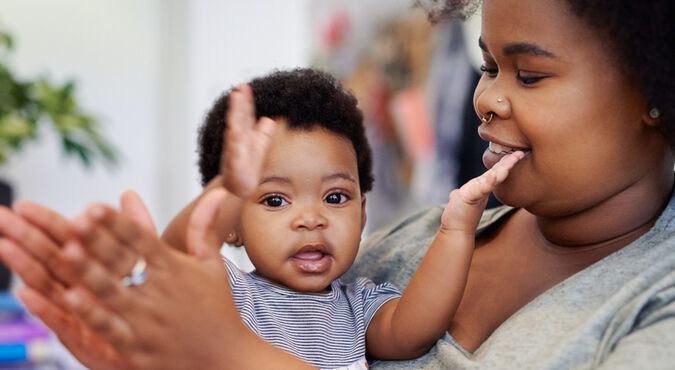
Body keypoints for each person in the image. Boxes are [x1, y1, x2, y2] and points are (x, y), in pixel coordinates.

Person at [2, 0, 675, 368]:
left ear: (653, 89)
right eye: (486, 66)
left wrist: (231, 356)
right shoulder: (394, 246)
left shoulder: (658, 305)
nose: (484, 100)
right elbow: (196, 261)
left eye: (526, 75)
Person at [0, 67, 522, 369]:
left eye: (336, 198)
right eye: (274, 200)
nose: (310, 219)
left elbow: (415, 329)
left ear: (365, 211)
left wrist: (457, 227)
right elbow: (185, 248)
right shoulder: (228, 291)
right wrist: (228, 188)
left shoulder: (356, 309)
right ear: (231, 223)